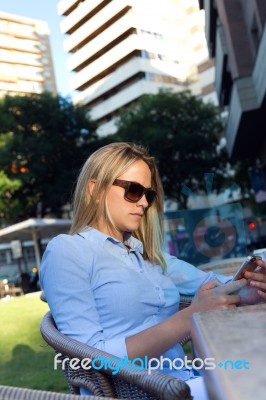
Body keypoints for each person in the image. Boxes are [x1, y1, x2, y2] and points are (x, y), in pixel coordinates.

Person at [40, 142, 266, 400]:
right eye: (134, 190)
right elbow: (89, 356)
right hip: (144, 392)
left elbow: (216, 283)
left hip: (185, 381)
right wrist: (190, 316)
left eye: (149, 194)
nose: (144, 202)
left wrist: (252, 289)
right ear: (96, 189)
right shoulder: (68, 251)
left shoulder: (147, 255)